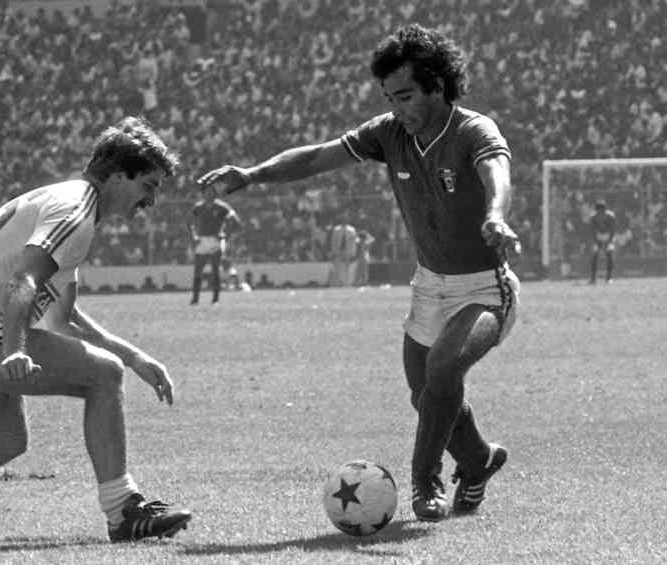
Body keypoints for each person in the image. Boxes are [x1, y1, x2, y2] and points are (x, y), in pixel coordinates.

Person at [198, 24, 521, 522]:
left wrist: (496, 215)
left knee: (443, 369)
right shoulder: (387, 134)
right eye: (390, 97)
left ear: (437, 85)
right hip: (429, 287)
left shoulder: (473, 130)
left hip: (484, 287)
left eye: (406, 95)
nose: (397, 108)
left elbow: (495, 171)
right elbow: (316, 158)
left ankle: (425, 480)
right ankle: (478, 460)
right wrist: (253, 173)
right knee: (426, 395)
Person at [0, 117, 192, 542]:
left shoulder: (71, 204)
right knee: (104, 375)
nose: (151, 200)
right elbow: (23, 283)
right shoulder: (76, 211)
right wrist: (13, 350)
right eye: (149, 186)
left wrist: (134, 356)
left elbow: (64, 318)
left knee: (4, 440)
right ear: (119, 177)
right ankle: (123, 511)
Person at [188, 183, 241, 304]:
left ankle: (215, 299)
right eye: (206, 191)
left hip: (216, 241)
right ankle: (195, 299)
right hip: (202, 240)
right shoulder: (198, 207)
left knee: (215, 270)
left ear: (215, 193)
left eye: (211, 191)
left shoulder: (222, 207)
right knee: (198, 270)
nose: (209, 194)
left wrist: (225, 234)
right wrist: (194, 236)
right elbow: (189, 223)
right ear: (203, 193)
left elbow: (236, 222)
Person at [589, 200, 617, 284]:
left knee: (609, 254)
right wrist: (596, 243)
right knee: (594, 255)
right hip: (598, 235)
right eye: (599, 212)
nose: (601, 214)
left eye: (602, 212)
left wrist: (609, 242)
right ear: (596, 211)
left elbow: (612, 230)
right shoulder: (593, 218)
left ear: (605, 210)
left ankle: (609, 278)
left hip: (608, 235)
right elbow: (593, 231)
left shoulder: (611, 216)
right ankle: (593, 278)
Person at [326, 216, 358, 287]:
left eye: (346, 220)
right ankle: (339, 283)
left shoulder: (352, 229)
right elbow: (333, 241)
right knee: (338, 267)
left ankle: (348, 283)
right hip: (338, 251)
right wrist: (333, 252)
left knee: (348, 268)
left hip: (348, 251)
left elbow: (354, 242)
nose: (344, 221)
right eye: (343, 220)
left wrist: (354, 252)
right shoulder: (337, 229)